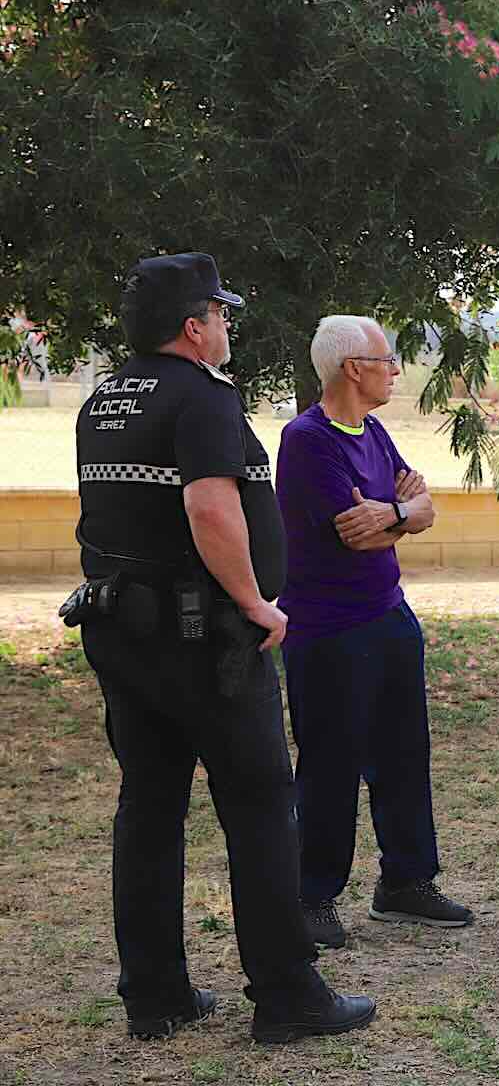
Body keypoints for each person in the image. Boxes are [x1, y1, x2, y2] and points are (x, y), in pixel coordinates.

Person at [73, 253, 373, 1044]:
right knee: (263, 808)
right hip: (205, 640)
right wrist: (253, 602)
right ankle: (286, 995)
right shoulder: (203, 398)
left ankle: (156, 994)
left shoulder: (104, 398)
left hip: (124, 632)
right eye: (220, 312)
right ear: (192, 326)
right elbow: (209, 507)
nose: (228, 325)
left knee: (150, 807)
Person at [274, 314, 471, 947]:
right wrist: (402, 515)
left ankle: (406, 882)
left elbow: (420, 506)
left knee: (403, 752)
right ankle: (313, 896)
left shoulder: (374, 431)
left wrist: (397, 513)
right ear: (352, 368)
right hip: (328, 627)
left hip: (388, 615)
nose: (394, 370)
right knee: (331, 763)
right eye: (386, 360)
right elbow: (352, 534)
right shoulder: (308, 440)